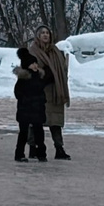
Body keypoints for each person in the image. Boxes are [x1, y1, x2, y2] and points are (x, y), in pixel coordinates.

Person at [30, 26, 73, 161]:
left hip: (55, 91)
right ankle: (33, 148)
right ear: (38, 35)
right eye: (42, 33)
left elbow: (61, 70)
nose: (45, 35)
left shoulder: (55, 51)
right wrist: (46, 73)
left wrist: (59, 74)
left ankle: (59, 149)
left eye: (47, 33)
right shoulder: (33, 51)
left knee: (56, 122)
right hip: (39, 91)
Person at [11, 43, 52, 162]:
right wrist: (26, 100)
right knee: (23, 133)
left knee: (39, 133)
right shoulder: (23, 79)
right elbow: (18, 93)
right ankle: (19, 154)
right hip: (25, 110)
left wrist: (41, 100)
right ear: (27, 65)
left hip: (38, 110)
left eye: (35, 63)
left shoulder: (39, 77)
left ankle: (41, 154)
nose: (35, 65)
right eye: (32, 63)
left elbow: (43, 87)